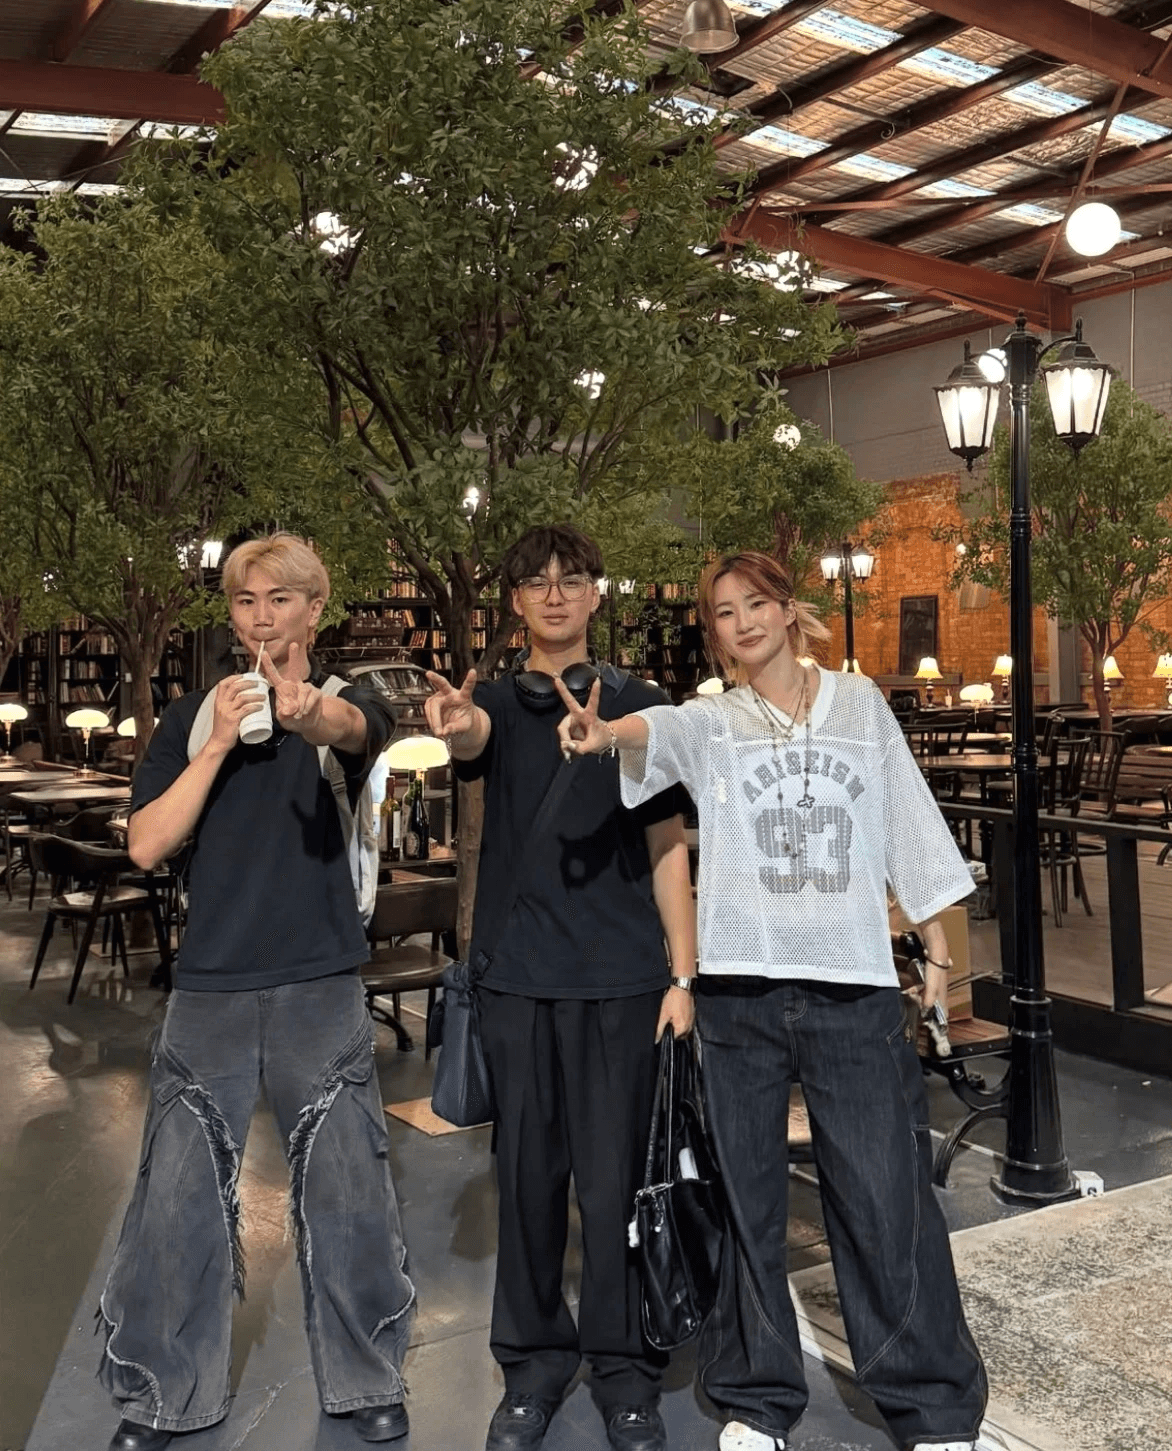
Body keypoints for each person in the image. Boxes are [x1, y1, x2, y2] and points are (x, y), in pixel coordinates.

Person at [556, 550, 988, 1451]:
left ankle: (933, 1405)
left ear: (790, 610)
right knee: (745, 1201)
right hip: (740, 993)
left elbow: (907, 821)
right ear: (713, 632)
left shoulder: (859, 704)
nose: (743, 621)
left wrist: (938, 951)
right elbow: (656, 730)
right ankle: (756, 1399)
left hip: (852, 988)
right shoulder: (715, 721)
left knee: (886, 1198)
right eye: (724, 611)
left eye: (756, 603)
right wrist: (606, 734)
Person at [98, 534, 415, 1451]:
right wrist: (215, 746)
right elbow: (147, 844)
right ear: (232, 615)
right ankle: (164, 1393)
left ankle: (367, 1377)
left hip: (321, 981)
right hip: (211, 988)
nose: (263, 615)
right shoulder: (191, 717)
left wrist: (304, 711)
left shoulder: (348, 700)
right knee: (178, 1196)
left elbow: (352, 733)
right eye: (246, 600)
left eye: (281, 598)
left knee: (348, 1188)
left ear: (315, 608)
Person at [425, 525, 697, 1451]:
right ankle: (533, 1364)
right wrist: (457, 724)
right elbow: (474, 738)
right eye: (536, 582)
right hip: (520, 982)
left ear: (594, 593)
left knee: (617, 1186)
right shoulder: (498, 703)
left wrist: (683, 973)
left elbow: (667, 846)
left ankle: (626, 1370)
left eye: (570, 579)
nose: (553, 594)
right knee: (527, 1182)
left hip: (623, 980)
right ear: (515, 601)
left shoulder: (642, 706)